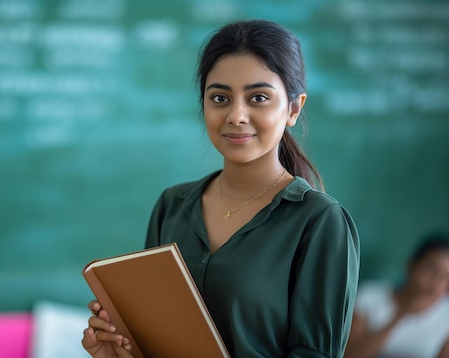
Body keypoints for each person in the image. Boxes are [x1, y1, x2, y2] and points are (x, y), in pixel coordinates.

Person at [81, 19, 360, 357]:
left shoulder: (319, 222)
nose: (236, 115)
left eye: (258, 97)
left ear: (293, 108)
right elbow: (155, 339)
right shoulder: (172, 206)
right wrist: (121, 352)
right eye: (219, 98)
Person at [344, 232, 449, 358]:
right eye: (431, 270)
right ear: (412, 265)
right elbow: (349, 354)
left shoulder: (445, 315)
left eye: (445, 277)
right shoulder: (370, 297)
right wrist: (400, 315)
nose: (436, 284)